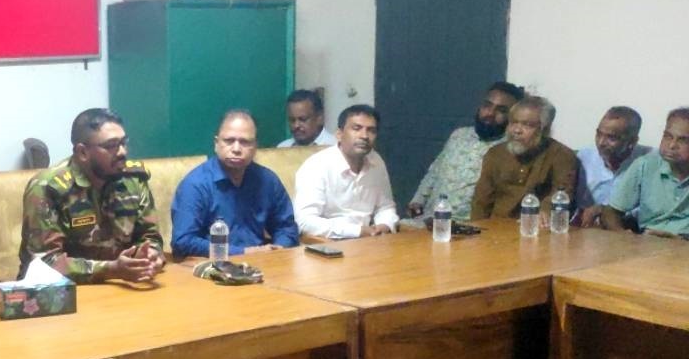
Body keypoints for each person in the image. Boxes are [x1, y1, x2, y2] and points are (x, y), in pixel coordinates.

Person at [19, 108, 164, 283]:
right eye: (111, 146)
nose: (122, 152)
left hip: (122, 284)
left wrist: (151, 255)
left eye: (123, 143)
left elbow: (150, 236)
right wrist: (111, 269)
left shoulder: (133, 179)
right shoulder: (48, 188)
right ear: (83, 152)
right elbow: (45, 262)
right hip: (62, 290)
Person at [171, 110, 299, 257]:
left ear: (255, 147)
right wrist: (242, 252)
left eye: (245, 142)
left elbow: (286, 228)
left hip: (262, 263)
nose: (236, 149)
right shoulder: (195, 184)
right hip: (212, 264)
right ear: (216, 144)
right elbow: (183, 242)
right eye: (229, 141)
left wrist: (279, 249)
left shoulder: (268, 181)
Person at [407, 82, 524, 221]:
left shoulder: (510, 149)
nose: (490, 113)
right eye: (487, 105)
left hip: (468, 226)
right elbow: (435, 172)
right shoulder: (459, 135)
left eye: (501, 110)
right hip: (428, 219)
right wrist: (417, 201)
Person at [294, 104, 399, 239]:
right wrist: (357, 231)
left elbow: (386, 207)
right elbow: (304, 221)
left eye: (371, 130)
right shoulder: (316, 166)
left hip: (371, 240)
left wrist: (384, 225)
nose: (364, 136)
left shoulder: (376, 161)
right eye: (356, 128)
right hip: (329, 243)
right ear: (339, 134)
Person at [470, 96, 578, 221]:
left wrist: (545, 212)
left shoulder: (561, 155)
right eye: (513, 122)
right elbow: (481, 201)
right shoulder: (495, 154)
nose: (516, 130)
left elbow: (561, 194)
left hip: (536, 227)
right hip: (495, 227)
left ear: (544, 129)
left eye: (527, 125)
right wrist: (476, 228)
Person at [603, 107, 689, 237]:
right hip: (649, 241)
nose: (672, 145)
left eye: (683, 140)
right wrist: (623, 236)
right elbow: (611, 212)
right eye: (668, 136)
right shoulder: (645, 165)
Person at [573, 107, 650, 227]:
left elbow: (651, 209)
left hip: (628, 228)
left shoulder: (649, 161)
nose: (601, 143)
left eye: (611, 138)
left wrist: (605, 210)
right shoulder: (584, 157)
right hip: (587, 227)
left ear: (632, 141)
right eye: (598, 134)